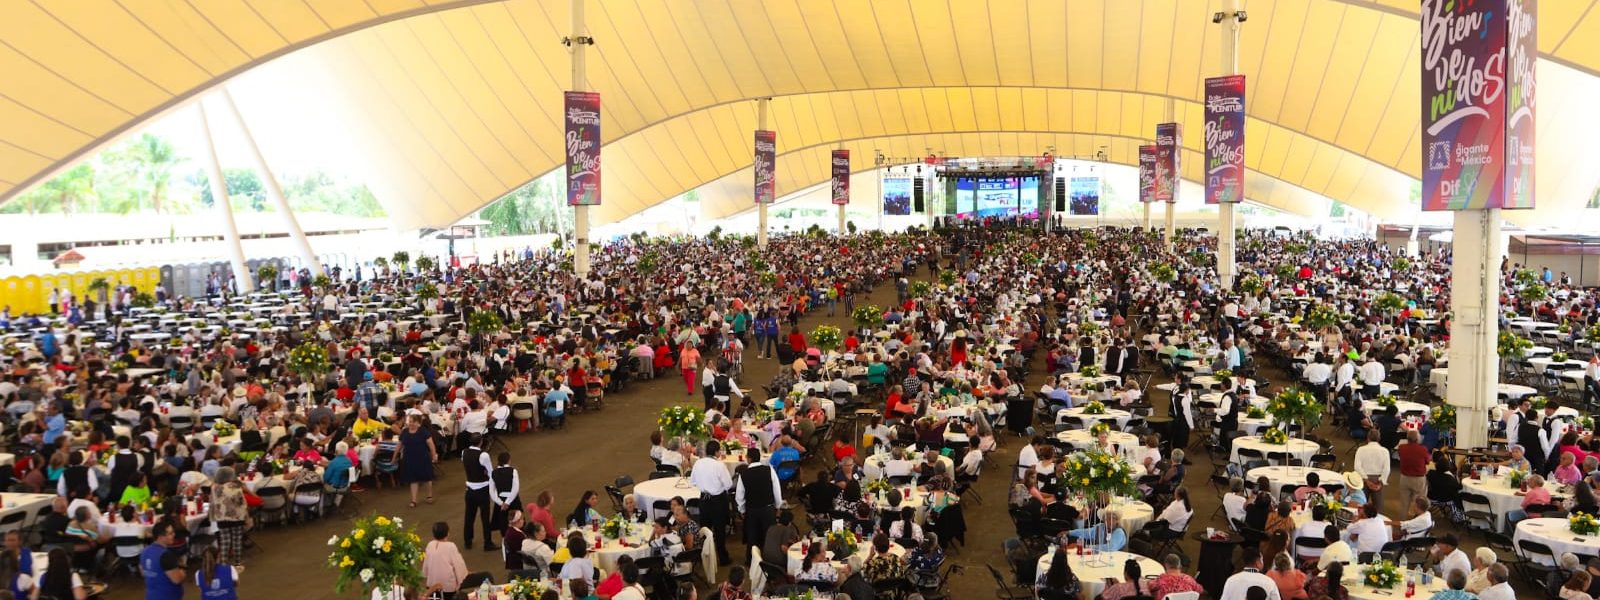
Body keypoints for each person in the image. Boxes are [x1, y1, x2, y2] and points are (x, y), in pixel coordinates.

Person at [689, 440, 734, 564]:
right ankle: (723, 558)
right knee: (719, 531)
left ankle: (705, 555)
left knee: (705, 529)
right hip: (718, 500)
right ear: (716, 452)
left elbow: (692, 482)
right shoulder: (719, 465)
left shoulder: (698, 463)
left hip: (703, 499)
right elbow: (728, 484)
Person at [736, 447, 782, 562]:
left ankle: (751, 559)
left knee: (752, 536)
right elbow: (776, 489)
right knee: (769, 535)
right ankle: (769, 559)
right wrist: (778, 505)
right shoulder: (769, 470)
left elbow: (739, 495)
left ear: (749, 459)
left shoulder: (744, 473)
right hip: (767, 508)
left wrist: (742, 510)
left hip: (752, 509)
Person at [140, 520, 186, 600]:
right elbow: (177, 579)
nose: (174, 535)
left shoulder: (145, 551)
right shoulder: (165, 555)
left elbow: (143, 572)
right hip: (167, 596)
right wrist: (182, 572)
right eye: (170, 534)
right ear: (161, 537)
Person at [399, 415, 437, 508]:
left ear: (418, 423)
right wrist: (397, 455)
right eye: (409, 421)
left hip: (423, 457)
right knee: (413, 479)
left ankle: (429, 495)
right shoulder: (405, 431)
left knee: (427, 477)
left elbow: (431, 444)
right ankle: (414, 500)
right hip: (410, 458)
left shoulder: (423, 431)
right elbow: (400, 445)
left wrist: (434, 454)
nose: (410, 423)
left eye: (412, 421)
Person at [422, 522, 468, 597]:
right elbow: (459, 566)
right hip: (447, 588)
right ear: (448, 533)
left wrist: (427, 574)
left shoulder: (430, 544)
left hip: (431, 586)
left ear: (433, 534)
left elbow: (426, 565)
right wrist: (462, 578)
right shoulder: (450, 546)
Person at [1354, 429, 1390, 510]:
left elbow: (1357, 467)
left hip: (1362, 479)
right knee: (1378, 506)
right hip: (1377, 479)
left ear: (1368, 438)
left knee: (1361, 502)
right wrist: (1381, 482)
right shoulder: (1385, 451)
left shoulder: (1361, 449)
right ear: (1379, 439)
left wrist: (1366, 480)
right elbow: (1387, 469)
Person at [489, 452, 522, 539]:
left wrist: (501, 503)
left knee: (503, 524)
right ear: (508, 460)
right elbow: (515, 488)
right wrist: (508, 502)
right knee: (518, 520)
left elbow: (492, 491)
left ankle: (506, 542)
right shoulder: (513, 471)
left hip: (501, 502)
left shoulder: (494, 472)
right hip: (513, 500)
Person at [1398, 430, 1431, 509]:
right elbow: (1427, 461)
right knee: (1419, 503)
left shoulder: (1401, 448)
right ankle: (1415, 519)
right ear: (1417, 438)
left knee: (1404, 503)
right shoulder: (1423, 449)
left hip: (1404, 478)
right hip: (1418, 479)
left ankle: (1403, 520)